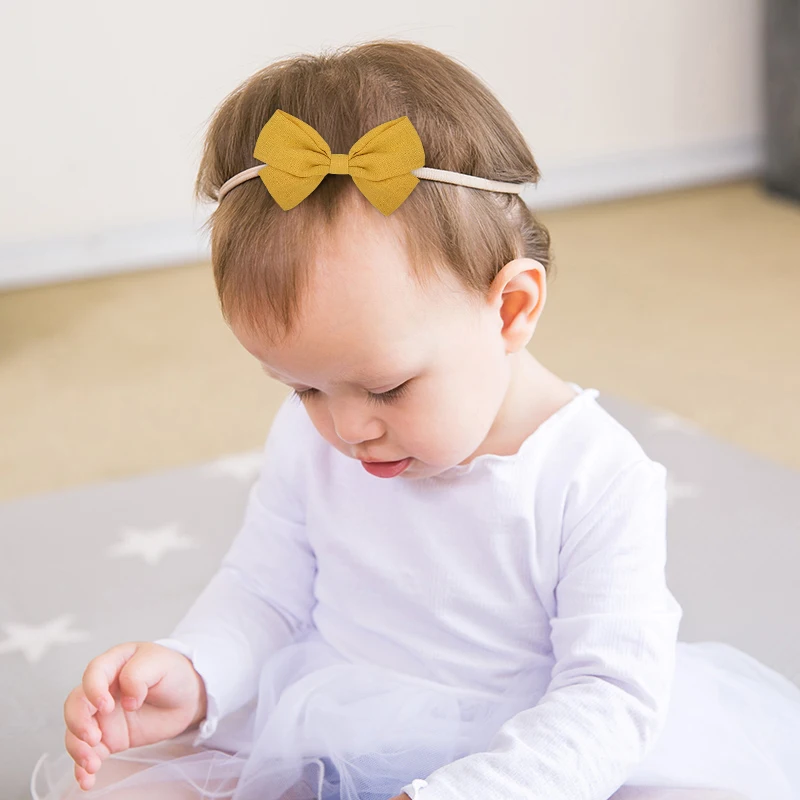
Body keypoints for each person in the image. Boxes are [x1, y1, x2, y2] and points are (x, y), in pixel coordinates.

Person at [31, 39, 800, 800]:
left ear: (511, 308)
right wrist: (195, 671)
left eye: (388, 388)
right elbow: (265, 590)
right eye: (304, 389)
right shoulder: (313, 439)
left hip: (533, 757)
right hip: (334, 720)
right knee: (115, 786)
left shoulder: (594, 476)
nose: (346, 429)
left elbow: (610, 697)